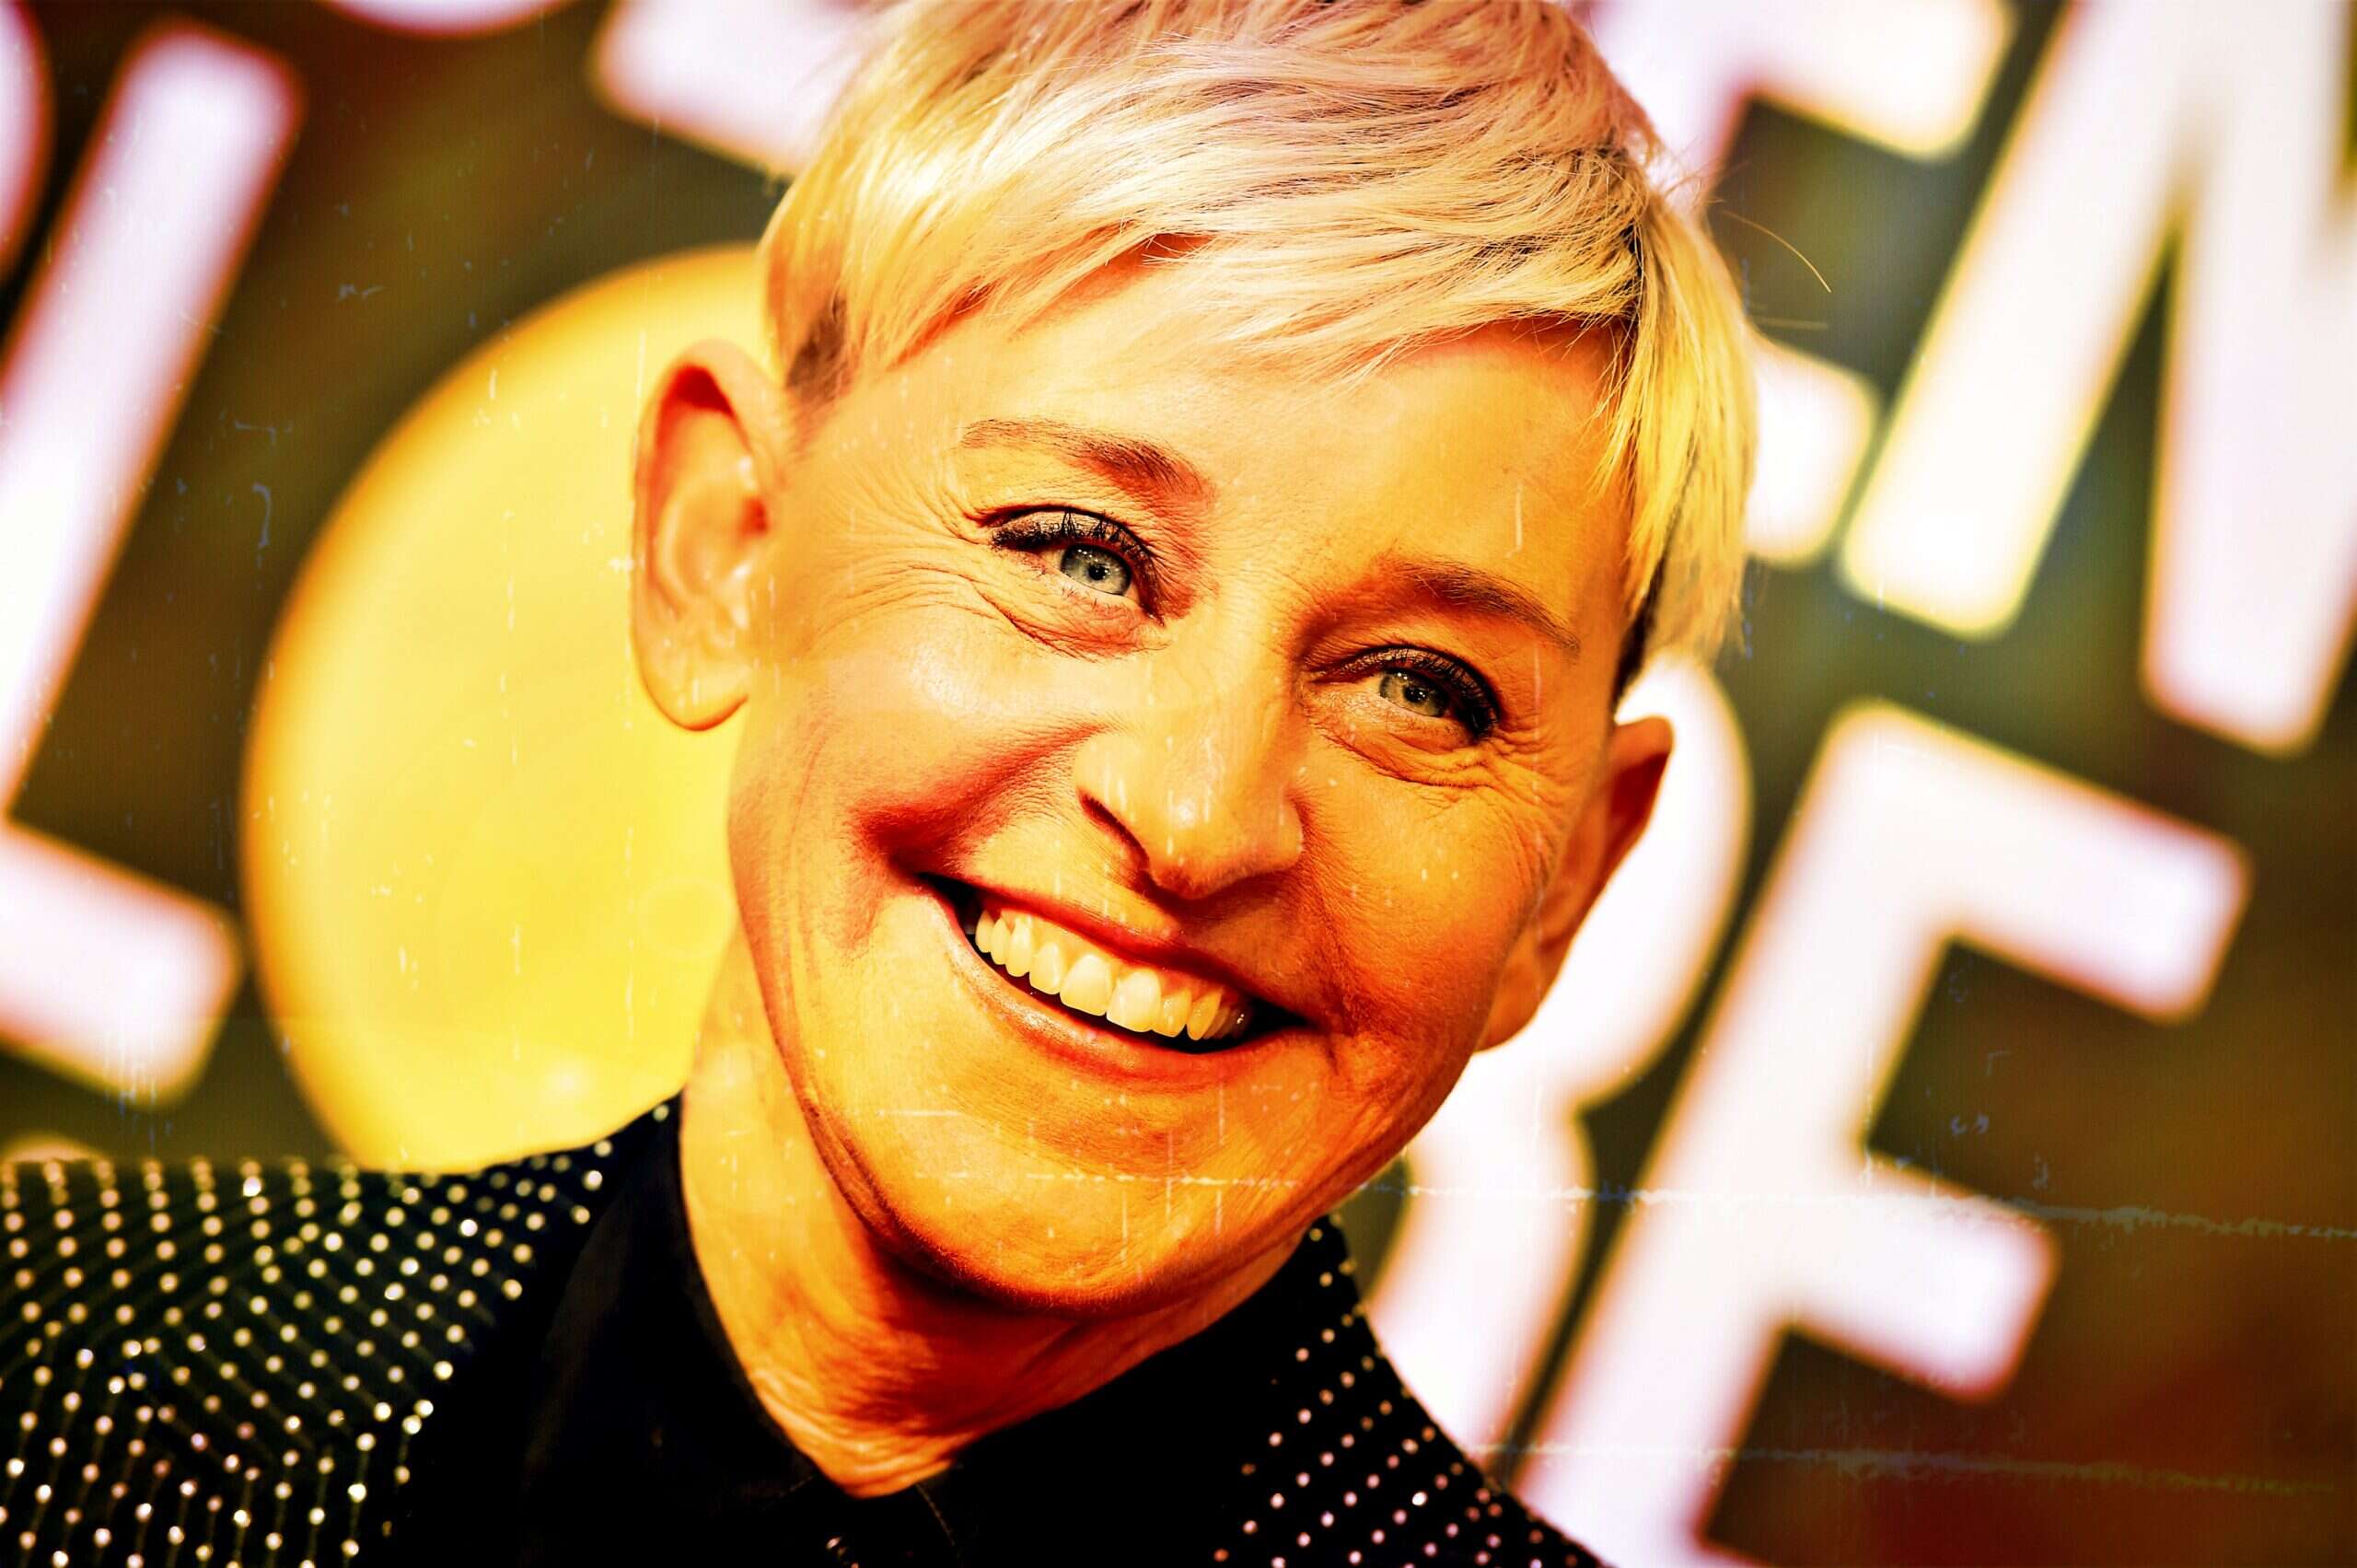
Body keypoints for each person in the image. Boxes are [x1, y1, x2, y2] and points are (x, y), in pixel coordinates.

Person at [0, 0, 1754, 1562]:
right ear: (728, 549)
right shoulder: (50, 1364)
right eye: (1079, 555)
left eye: (1421, 689)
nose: (1198, 814)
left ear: (1569, 883)